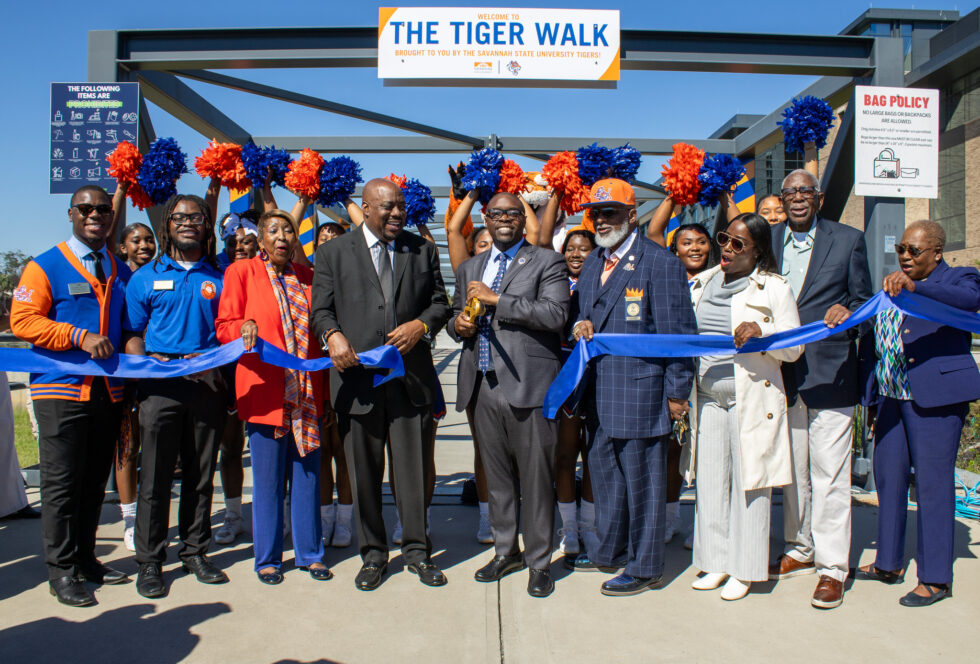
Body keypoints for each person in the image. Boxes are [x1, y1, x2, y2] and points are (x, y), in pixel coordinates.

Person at [312, 178, 451, 591]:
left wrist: (421, 324)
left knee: (412, 473)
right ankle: (372, 555)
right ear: (366, 208)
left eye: (401, 206)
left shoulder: (422, 249)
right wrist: (332, 335)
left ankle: (417, 551)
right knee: (364, 476)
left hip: (410, 382)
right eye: (387, 207)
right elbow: (321, 310)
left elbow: (442, 301)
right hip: (358, 384)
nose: (396, 214)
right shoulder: (332, 252)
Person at [567, 178, 696, 596]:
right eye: (597, 213)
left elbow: (679, 335)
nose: (602, 220)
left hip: (640, 391)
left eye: (610, 212)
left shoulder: (660, 263)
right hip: (597, 392)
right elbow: (581, 315)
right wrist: (578, 325)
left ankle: (646, 567)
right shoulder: (592, 263)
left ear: (632, 214)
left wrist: (677, 394)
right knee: (605, 478)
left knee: (643, 484)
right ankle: (609, 550)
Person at [10, 184, 131, 606]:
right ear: (71, 215)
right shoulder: (43, 266)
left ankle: (86, 558)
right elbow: (23, 321)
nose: (95, 215)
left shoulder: (118, 268)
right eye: (86, 209)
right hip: (59, 393)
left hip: (108, 394)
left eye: (102, 209)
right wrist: (77, 336)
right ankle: (61, 572)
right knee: (61, 486)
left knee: (94, 483)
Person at [449, 192, 570, 598]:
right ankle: (506, 551)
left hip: (528, 385)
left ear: (524, 220)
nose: (505, 219)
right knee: (497, 477)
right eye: (497, 213)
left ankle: (539, 561)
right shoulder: (471, 265)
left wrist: (497, 299)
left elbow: (555, 316)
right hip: (482, 383)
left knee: (536, 476)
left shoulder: (546, 261)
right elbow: (455, 317)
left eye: (513, 214)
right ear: (486, 217)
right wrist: (459, 326)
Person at [854, 220, 980, 607]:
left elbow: (970, 301)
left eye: (914, 251)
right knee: (888, 479)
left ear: (937, 253)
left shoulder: (960, 278)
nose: (905, 257)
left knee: (932, 485)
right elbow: (877, 340)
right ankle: (888, 563)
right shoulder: (892, 286)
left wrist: (916, 287)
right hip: (892, 398)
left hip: (935, 400)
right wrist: (872, 399)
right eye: (901, 250)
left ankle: (936, 578)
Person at [767, 169, 872, 610]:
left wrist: (844, 308)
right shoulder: (767, 238)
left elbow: (865, 303)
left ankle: (832, 568)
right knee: (794, 473)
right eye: (789, 192)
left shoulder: (848, 239)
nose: (796, 199)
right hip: (780, 374)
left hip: (831, 373)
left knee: (830, 474)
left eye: (804, 192)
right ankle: (801, 547)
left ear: (820, 197)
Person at [685, 213, 802, 600]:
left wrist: (762, 333)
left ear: (758, 251)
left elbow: (794, 347)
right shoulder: (700, 283)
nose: (727, 249)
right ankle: (715, 562)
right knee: (711, 482)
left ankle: (746, 568)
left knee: (751, 485)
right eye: (724, 239)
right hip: (708, 398)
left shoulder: (774, 289)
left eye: (739, 244)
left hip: (749, 398)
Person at [217, 209, 332, 584]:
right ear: (262, 239)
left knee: (308, 477)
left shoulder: (309, 278)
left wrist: (325, 394)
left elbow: (320, 341)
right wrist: (243, 326)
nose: (282, 236)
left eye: (288, 231)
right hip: (266, 392)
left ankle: (310, 554)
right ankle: (267, 558)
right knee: (266, 481)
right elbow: (224, 325)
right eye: (273, 230)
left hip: (307, 395)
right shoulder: (241, 272)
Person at [124, 193, 230, 599]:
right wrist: (147, 366)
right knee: (154, 476)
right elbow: (132, 334)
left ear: (207, 225)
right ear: (166, 225)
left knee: (202, 476)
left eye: (197, 217)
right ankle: (150, 561)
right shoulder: (145, 278)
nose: (189, 223)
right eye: (180, 218)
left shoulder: (219, 278)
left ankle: (195, 551)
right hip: (160, 390)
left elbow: (231, 331)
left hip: (207, 387)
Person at [646, 197, 723, 546]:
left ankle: (706, 523)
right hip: (676, 376)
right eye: (686, 242)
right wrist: (675, 195)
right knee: (673, 450)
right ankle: (669, 516)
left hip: (711, 376)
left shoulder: (722, 275)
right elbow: (653, 231)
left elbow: (745, 233)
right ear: (674, 249)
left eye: (702, 241)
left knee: (710, 452)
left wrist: (723, 196)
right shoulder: (666, 271)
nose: (695, 247)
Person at [212, 212, 261, 548]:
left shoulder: (269, 269)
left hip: (263, 370)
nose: (239, 247)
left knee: (269, 446)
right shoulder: (212, 269)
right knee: (230, 447)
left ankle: (276, 510)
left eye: (247, 242)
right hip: (226, 370)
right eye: (232, 242)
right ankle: (233, 516)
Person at [111, 222, 158, 551]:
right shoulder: (117, 278)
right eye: (135, 240)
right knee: (127, 446)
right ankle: (129, 518)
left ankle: (152, 516)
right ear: (122, 247)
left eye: (149, 239)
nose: (143, 245)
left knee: (155, 448)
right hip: (125, 374)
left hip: (159, 375)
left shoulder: (162, 273)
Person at [554, 227, 600, 556]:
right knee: (566, 456)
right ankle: (568, 528)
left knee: (595, 458)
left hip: (599, 381)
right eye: (570, 248)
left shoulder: (605, 284)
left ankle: (591, 527)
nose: (575, 254)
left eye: (584, 249)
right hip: (564, 380)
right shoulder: (553, 284)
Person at [312, 220, 354, 548]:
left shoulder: (354, 277)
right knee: (322, 449)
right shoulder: (306, 275)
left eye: (335, 237)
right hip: (315, 373)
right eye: (322, 237)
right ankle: (325, 517)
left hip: (346, 371)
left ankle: (345, 519)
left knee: (344, 450)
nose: (328, 242)